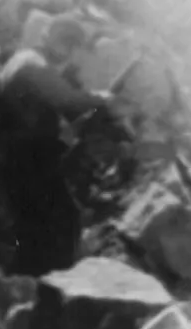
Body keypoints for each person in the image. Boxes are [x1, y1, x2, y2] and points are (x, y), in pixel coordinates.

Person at [0, 15, 113, 276]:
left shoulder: (25, 59)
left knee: (39, 225)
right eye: (68, 44)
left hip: (20, 157)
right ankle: (42, 285)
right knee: (61, 222)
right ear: (54, 40)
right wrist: (102, 99)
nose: (70, 53)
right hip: (20, 160)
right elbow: (67, 100)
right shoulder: (33, 63)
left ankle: (31, 283)